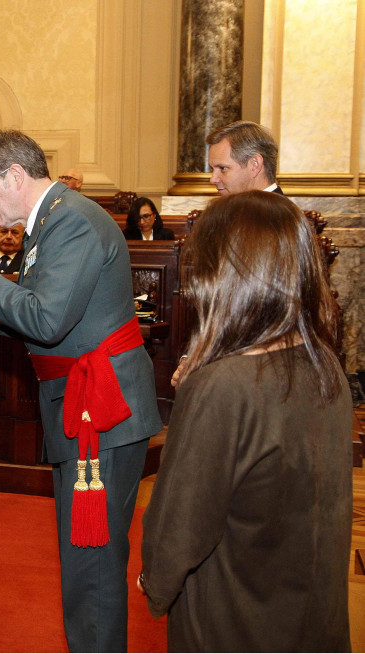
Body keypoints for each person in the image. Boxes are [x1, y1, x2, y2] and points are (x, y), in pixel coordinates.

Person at [0, 130, 162, 652]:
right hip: (85, 405)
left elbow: (47, 319)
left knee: (91, 560)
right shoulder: (51, 218)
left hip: (100, 410)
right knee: (86, 555)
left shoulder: (70, 220)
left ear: (14, 176)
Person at [139, 191, 351, 651]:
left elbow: (180, 526)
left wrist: (151, 579)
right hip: (309, 609)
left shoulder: (223, 385)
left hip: (233, 615)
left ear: (224, 278)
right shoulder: (325, 365)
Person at [206, 120, 283, 195]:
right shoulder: (238, 206)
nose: (213, 180)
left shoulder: (276, 208)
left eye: (223, 168)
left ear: (254, 165)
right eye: (212, 169)